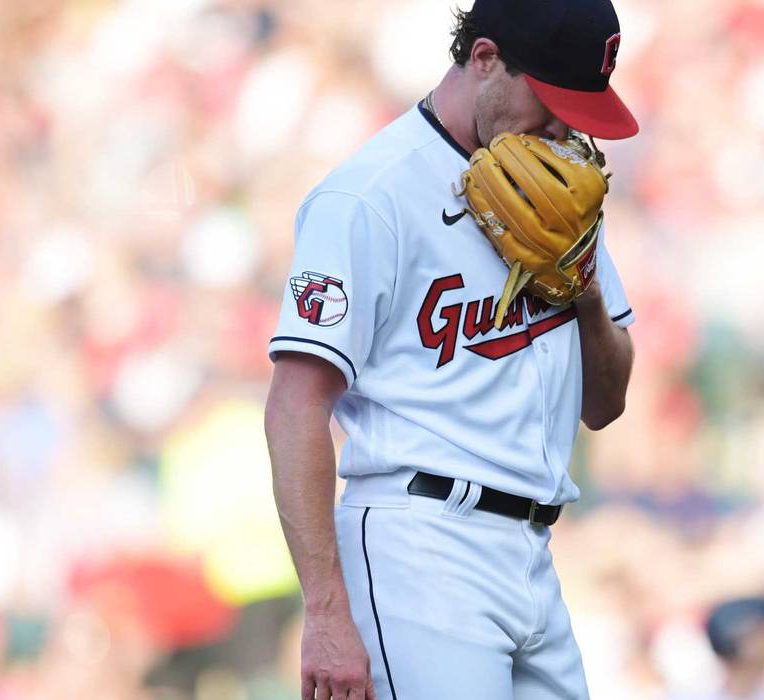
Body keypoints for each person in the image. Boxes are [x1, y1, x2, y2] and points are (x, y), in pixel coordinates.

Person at [264, 1, 637, 697]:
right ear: (486, 59)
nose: (563, 126)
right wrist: (324, 611)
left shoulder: (559, 187)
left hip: (533, 552)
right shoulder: (369, 195)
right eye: (550, 100)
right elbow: (293, 406)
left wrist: (582, 289)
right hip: (421, 548)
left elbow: (605, 405)